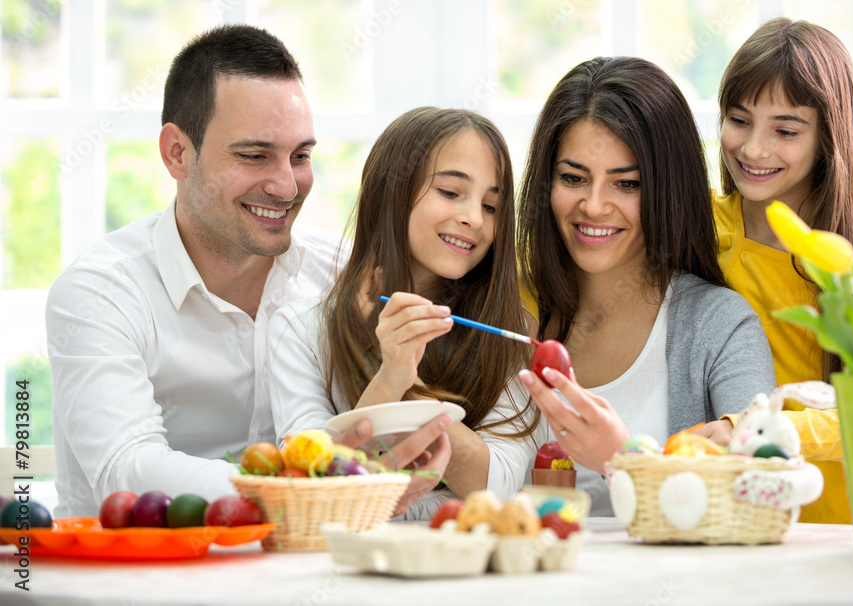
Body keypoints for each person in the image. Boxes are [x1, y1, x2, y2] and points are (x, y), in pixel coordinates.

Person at [46, 25, 450, 518]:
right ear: (177, 153)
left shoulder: (342, 274)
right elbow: (125, 468)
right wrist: (309, 486)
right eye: (255, 155)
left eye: (300, 156)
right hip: (134, 581)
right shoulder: (99, 292)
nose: (286, 186)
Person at [515, 57, 775, 516]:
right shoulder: (507, 311)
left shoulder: (720, 326)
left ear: (667, 190)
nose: (593, 205)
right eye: (572, 178)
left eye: (627, 184)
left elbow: (761, 501)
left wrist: (623, 459)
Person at [268, 106, 540, 519]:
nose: (473, 218)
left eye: (491, 206)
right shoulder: (300, 329)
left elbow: (498, 483)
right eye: (451, 193)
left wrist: (407, 387)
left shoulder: (510, 331)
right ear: (390, 193)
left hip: (467, 563)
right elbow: (314, 481)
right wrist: (388, 376)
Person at [712, 18, 853, 523]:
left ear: (827, 136)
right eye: (739, 119)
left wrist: (762, 432)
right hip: (736, 528)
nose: (754, 149)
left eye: (785, 130)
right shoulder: (701, 228)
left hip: (850, 531)